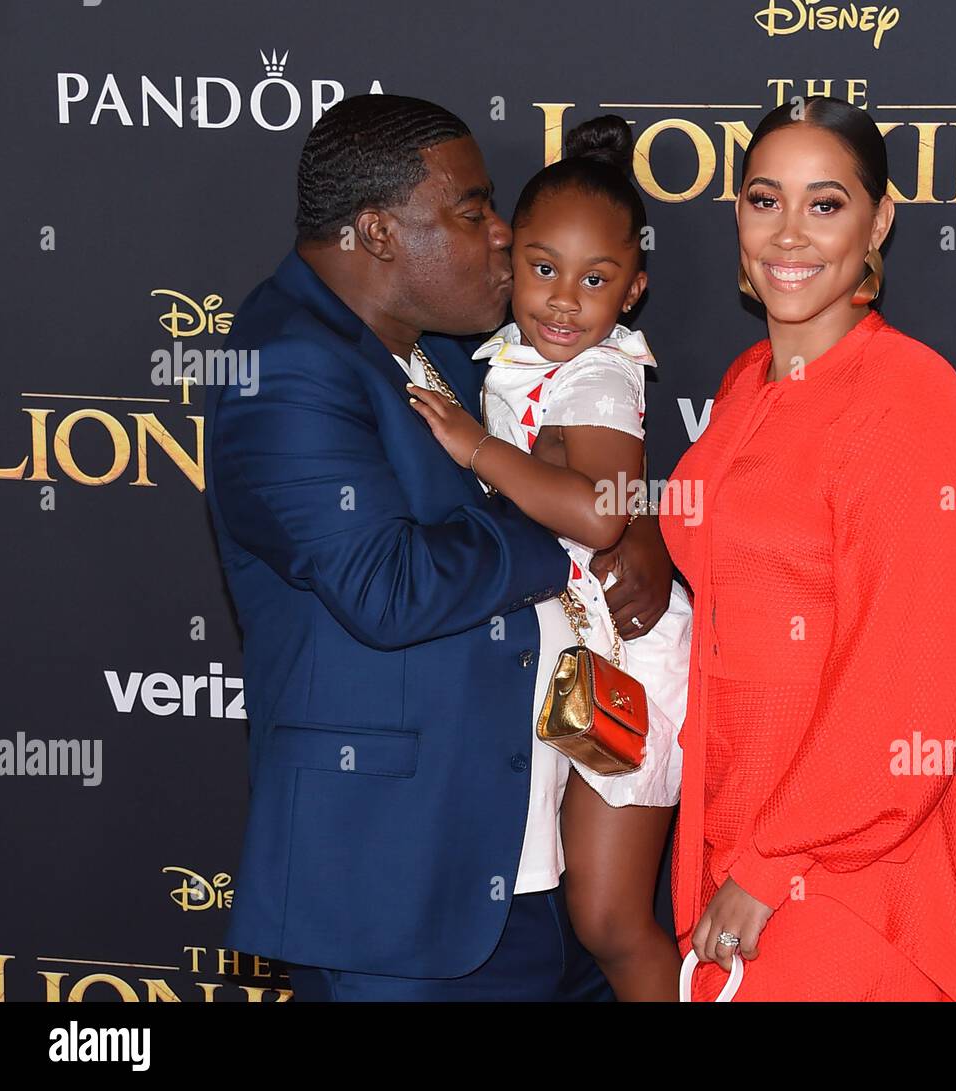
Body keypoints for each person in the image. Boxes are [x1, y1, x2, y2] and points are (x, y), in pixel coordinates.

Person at [203, 94, 674, 1002]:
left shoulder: (447, 355)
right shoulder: (283, 365)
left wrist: (631, 517)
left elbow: (557, 452)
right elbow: (390, 587)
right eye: (472, 210)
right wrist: (575, 526)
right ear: (378, 231)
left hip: (533, 867)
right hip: (398, 902)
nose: (502, 236)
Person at [659, 96, 956, 1001]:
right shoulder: (743, 382)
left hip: (840, 872)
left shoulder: (910, 396)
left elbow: (904, 678)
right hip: (726, 838)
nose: (789, 234)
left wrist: (771, 864)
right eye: (765, 201)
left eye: (826, 203)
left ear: (880, 219)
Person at [408, 115, 690, 1002]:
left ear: (632, 291)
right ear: (507, 256)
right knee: (569, 905)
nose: (564, 300)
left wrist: (473, 447)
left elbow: (599, 515)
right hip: (549, 651)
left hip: (623, 656)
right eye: (543, 269)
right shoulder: (498, 356)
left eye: (595, 279)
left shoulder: (600, 374)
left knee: (610, 918)